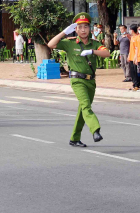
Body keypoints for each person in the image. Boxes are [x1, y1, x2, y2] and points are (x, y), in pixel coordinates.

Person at [47, 12, 111, 147]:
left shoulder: (94, 44)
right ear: (75, 29)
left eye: (86, 27)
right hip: (77, 80)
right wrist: (64, 32)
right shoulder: (69, 43)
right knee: (86, 106)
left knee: (83, 109)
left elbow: (107, 53)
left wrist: (92, 52)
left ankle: (74, 138)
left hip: (91, 81)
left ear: (89, 29)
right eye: (80, 27)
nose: (83, 30)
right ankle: (95, 130)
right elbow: (51, 44)